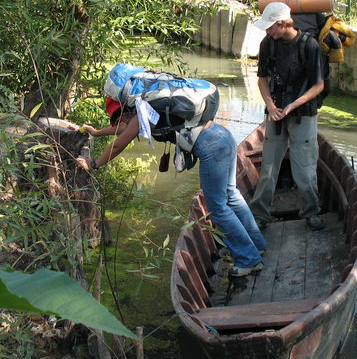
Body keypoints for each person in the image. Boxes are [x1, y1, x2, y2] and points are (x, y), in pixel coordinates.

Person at [77, 90, 266, 277]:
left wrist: (93, 164)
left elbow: (118, 144)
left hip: (212, 148)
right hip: (223, 136)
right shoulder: (149, 104)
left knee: (217, 207)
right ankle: (257, 246)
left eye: (119, 116)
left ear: (126, 108)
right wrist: (97, 132)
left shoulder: (142, 111)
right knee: (231, 195)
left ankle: (249, 259)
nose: (119, 121)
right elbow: (125, 128)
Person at [250, 1, 326, 232]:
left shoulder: (309, 45)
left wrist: (293, 105)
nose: (268, 31)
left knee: (304, 169)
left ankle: (311, 212)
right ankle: (260, 214)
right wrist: (271, 106)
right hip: (275, 114)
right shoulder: (268, 44)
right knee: (268, 167)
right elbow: (262, 78)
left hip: (302, 113)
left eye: (271, 26)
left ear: (284, 23)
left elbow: (318, 85)